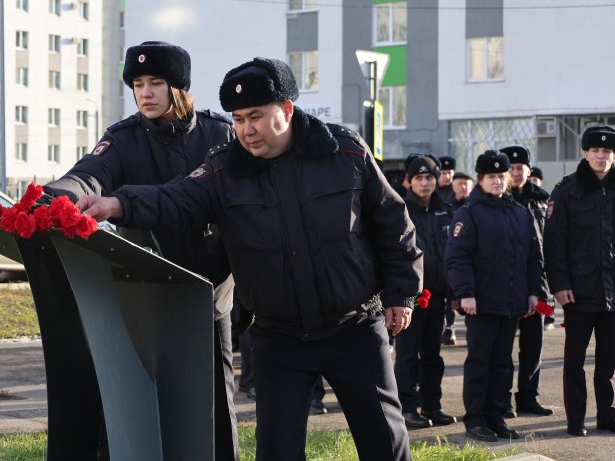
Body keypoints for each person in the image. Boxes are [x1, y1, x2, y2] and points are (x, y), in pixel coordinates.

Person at [80, 57, 423, 461]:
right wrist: (114, 205)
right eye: (239, 119)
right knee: (276, 451)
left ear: (287, 109)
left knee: (384, 444)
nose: (246, 130)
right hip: (280, 340)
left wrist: (402, 293)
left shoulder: (343, 151)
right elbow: (175, 197)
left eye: (256, 117)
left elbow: (392, 222)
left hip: (355, 329)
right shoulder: (224, 169)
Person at [41, 41, 239, 460]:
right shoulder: (122, 140)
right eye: (138, 84)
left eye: (156, 83)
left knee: (215, 406)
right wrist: (54, 199)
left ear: (179, 87)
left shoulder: (219, 134)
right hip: (143, 294)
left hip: (210, 298)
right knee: (135, 405)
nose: (145, 93)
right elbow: (87, 176)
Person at [445, 150, 541, 442]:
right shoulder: (469, 213)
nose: (498, 182)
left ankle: (496, 415)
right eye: (491, 177)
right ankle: (475, 419)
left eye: (502, 177)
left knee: (503, 363)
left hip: (511, 303)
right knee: (480, 363)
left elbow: (532, 258)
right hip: (481, 303)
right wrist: (466, 294)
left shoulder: (519, 212)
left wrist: (533, 292)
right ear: (480, 180)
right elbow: (457, 257)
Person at [543, 125, 615, 437]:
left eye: (607, 151)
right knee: (574, 361)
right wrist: (559, 284)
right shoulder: (567, 191)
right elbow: (554, 242)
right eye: (596, 151)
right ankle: (576, 420)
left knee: (609, 363)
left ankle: (607, 416)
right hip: (578, 292)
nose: (601, 156)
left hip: (613, 293)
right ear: (585, 153)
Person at [394, 155, 457, 429]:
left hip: (438, 295)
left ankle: (432, 405)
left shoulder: (446, 210)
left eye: (429, 177)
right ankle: (406, 408)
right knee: (407, 355)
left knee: (432, 355)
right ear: (409, 180)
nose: (424, 182)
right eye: (418, 177)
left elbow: (453, 254)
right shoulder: (399, 210)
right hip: (409, 297)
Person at [499, 145, 554, 418]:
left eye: (520, 168)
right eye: (510, 168)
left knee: (534, 344)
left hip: (540, 286)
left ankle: (528, 397)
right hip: (508, 285)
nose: (516, 172)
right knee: (504, 346)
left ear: (528, 171)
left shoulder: (543, 199)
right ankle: (503, 399)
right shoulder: (498, 199)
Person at [441, 172, 474, 346]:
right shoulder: (445, 207)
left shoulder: (474, 208)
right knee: (448, 294)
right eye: (459, 183)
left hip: (470, 260)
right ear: (453, 186)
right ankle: (450, 326)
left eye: (466, 184)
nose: (463, 187)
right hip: (450, 258)